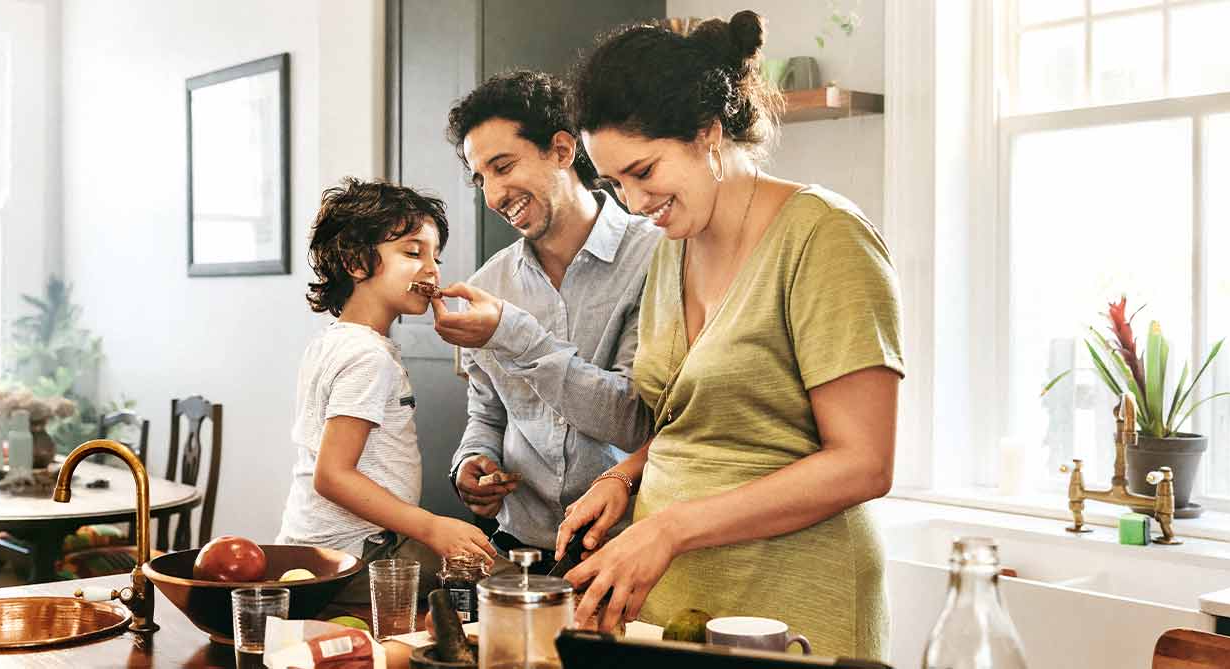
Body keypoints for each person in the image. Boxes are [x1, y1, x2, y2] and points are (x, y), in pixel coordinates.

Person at [553, 10, 905, 659]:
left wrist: (670, 530)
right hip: (675, 610)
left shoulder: (825, 238)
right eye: (615, 183)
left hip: (796, 608)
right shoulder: (670, 246)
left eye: (644, 171)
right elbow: (705, 419)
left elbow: (865, 461)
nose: (632, 203)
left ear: (708, 134)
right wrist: (625, 479)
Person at [429, 70, 662, 570]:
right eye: (481, 178)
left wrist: (513, 335)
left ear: (561, 149)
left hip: (627, 551)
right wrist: (471, 465)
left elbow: (635, 422)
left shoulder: (656, 258)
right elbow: (487, 415)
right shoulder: (489, 285)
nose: (492, 196)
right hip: (520, 550)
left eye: (503, 165)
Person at [279, 178, 493, 594]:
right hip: (358, 557)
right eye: (413, 252)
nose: (432, 268)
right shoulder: (368, 357)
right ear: (357, 262)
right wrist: (431, 527)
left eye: (436, 256)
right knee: (501, 586)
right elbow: (332, 475)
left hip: (321, 552)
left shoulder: (335, 341)